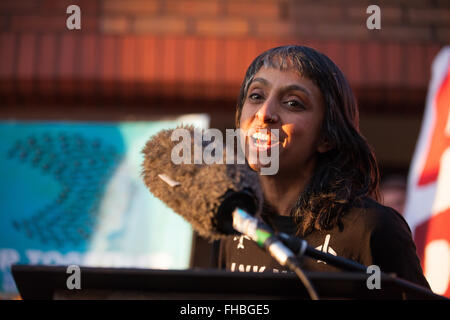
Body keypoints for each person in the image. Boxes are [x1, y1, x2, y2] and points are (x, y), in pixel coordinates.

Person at [215, 45, 430, 289]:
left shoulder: (370, 228)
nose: (264, 113)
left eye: (293, 103)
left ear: (326, 137)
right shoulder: (235, 223)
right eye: (256, 96)